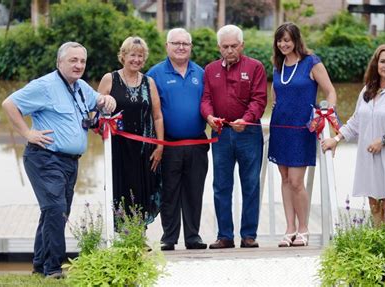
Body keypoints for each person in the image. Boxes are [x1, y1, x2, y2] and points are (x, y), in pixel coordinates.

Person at [2, 42, 116, 278]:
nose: (78, 65)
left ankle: (39, 265)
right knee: (55, 209)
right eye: (73, 60)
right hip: (44, 158)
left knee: (54, 213)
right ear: (59, 62)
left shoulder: (81, 87)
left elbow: (99, 102)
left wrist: (108, 101)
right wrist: (27, 133)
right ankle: (53, 269)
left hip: (70, 161)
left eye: (82, 61)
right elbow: (9, 104)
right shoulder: (44, 86)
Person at [321, 44, 385, 242]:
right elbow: (356, 122)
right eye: (382, 61)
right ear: (376, 64)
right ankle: (377, 251)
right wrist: (337, 139)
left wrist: (383, 140)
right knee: (374, 207)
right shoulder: (367, 91)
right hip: (368, 157)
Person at [268, 22, 337, 247]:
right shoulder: (278, 66)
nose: (283, 44)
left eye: (287, 40)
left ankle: (303, 229)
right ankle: (289, 229)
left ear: (296, 40)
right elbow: (275, 96)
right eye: (280, 40)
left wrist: (327, 113)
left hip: (302, 129)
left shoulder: (311, 62)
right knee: (285, 179)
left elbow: (330, 91)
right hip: (280, 128)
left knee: (297, 181)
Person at [200, 24, 267, 249]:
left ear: (242, 46)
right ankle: (225, 236)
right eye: (225, 46)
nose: (230, 50)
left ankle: (248, 235)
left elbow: (259, 100)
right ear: (219, 47)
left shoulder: (256, 67)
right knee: (221, 185)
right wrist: (209, 116)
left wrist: (246, 119)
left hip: (248, 132)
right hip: (221, 133)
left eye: (234, 46)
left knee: (250, 184)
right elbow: (206, 99)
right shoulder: (210, 70)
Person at [147, 28, 208, 251]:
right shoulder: (154, 74)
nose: (181, 47)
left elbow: (209, 103)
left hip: (197, 143)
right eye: (176, 43)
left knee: (194, 191)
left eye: (185, 43)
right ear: (167, 46)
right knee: (169, 192)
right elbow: (150, 111)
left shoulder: (201, 73)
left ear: (191, 47)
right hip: (168, 144)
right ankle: (169, 238)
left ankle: (193, 237)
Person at [97, 36, 164, 227]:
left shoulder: (149, 82)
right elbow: (95, 112)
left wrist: (159, 146)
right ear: (123, 56)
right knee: (120, 188)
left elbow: (157, 116)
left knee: (143, 189)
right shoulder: (110, 79)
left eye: (141, 56)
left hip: (144, 148)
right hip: (118, 148)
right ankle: (121, 237)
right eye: (133, 55)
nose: (137, 60)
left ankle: (138, 236)